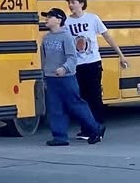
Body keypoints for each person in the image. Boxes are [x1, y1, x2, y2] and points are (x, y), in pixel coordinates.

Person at [64, 0, 129, 126]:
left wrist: (121, 55)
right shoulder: (66, 22)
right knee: (80, 97)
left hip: (93, 62)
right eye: (69, 3)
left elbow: (107, 36)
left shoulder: (92, 19)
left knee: (94, 95)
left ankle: (97, 124)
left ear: (81, 4)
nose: (70, 5)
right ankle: (86, 126)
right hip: (76, 65)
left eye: (73, 2)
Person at [39, 8, 101, 146]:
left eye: (49, 17)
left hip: (66, 78)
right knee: (55, 108)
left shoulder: (66, 37)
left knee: (76, 105)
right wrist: (43, 75)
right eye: (46, 17)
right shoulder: (46, 38)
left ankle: (95, 128)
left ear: (59, 20)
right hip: (51, 78)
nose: (46, 19)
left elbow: (72, 57)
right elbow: (43, 59)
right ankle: (60, 137)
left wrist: (64, 68)